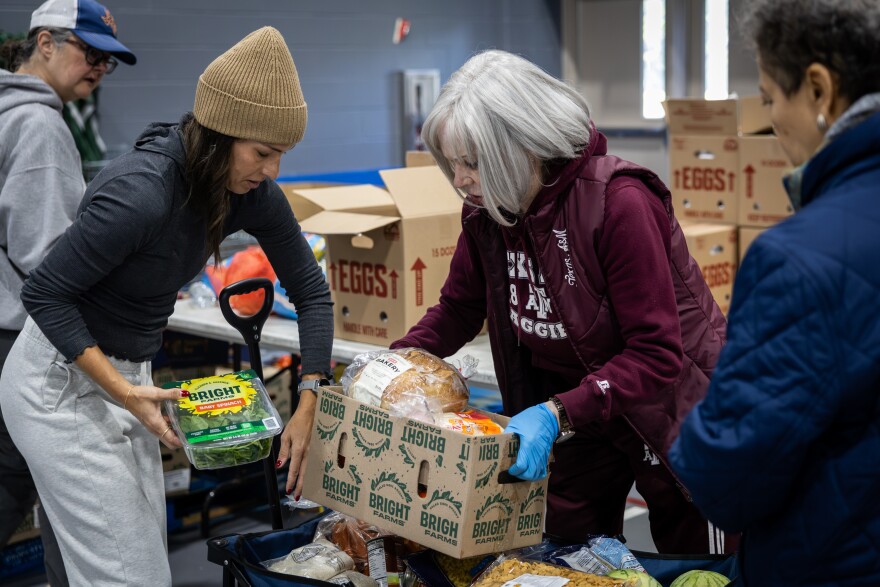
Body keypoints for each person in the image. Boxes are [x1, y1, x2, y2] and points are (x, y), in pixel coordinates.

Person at [0, 26, 334, 585]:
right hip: (58, 384)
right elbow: (45, 294)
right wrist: (125, 391)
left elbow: (310, 288)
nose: (272, 171)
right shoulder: (143, 190)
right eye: (263, 153)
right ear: (221, 135)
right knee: (134, 575)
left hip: (129, 377)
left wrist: (309, 396)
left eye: (281, 156)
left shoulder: (247, 193)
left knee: (120, 562)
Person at [386, 49, 734, 554]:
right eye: (454, 164)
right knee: (571, 553)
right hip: (575, 410)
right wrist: (390, 367)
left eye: (473, 163)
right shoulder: (488, 212)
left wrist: (554, 414)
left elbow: (656, 353)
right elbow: (459, 309)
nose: (460, 180)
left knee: (692, 557)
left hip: (666, 404)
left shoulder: (619, 202)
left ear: (522, 146)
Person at [669, 0, 880, 583]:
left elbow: (726, 477)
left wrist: (691, 423)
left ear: (819, 90)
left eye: (769, 98)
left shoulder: (799, 257)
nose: (768, 121)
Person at [0, 0, 136, 583]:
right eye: (90, 53)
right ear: (45, 43)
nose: (100, 68)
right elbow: (48, 258)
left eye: (109, 60)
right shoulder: (39, 124)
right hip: (18, 336)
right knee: (21, 482)